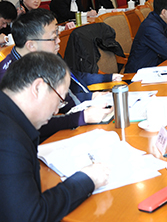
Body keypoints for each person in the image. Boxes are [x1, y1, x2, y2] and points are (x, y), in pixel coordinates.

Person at [0, 51, 109, 221]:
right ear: (38, 88)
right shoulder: (9, 140)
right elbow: (31, 216)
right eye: (60, 99)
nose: (57, 110)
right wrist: (86, 180)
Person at [0, 9, 114, 141]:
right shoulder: (9, 78)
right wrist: (81, 117)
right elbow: (33, 124)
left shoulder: (40, 58)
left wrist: (88, 106)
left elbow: (65, 101)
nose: (59, 41)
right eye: (54, 38)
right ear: (31, 45)